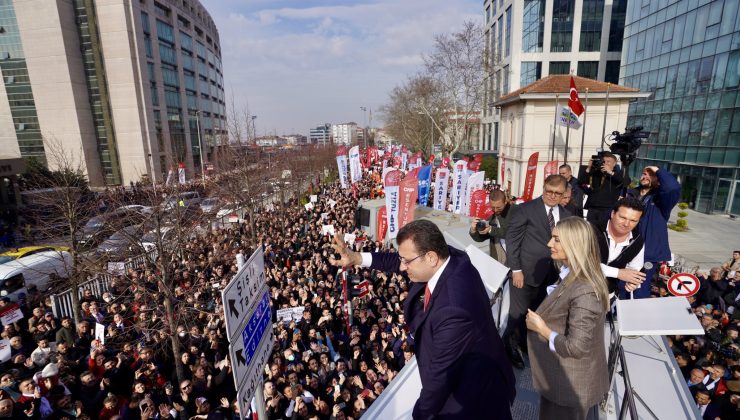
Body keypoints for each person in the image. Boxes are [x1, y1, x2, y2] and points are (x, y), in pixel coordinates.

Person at [329, 220, 516, 419]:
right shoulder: (451, 258)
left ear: (431, 257)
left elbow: (439, 378)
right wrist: (357, 257)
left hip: (473, 400)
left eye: (407, 261)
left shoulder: (453, 310)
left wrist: (419, 415)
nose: (402, 266)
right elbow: (397, 261)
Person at [525, 216, 609, 420]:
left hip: (570, 387)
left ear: (574, 244)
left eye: (556, 239)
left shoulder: (585, 290)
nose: (549, 244)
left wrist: (542, 329)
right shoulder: (571, 274)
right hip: (560, 379)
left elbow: (576, 348)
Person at [504, 175, 572, 369]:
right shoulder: (525, 209)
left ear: (564, 194)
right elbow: (513, 241)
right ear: (543, 188)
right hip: (524, 273)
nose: (551, 196)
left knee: (538, 314)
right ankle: (508, 345)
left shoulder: (568, 215)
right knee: (517, 313)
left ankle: (526, 344)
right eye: (548, 191)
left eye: (557, 193)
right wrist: (516, 270)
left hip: (553, 276)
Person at [627, 166, 680, 296]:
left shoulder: (660, 199)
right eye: (644, 174)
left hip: (648, 253)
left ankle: (637, 315)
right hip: (625, 248)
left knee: (639, 289)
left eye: (651, 175)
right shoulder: (630, 193)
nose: (646, 176)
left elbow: (672, 187)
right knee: (622, 285)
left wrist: (657, 170)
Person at [591, 197, 648, 298]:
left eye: (633, 220)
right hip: (578, 292)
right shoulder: (590, 230)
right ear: (613, 214)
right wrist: (618, 273)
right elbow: (580, 263)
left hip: (608, 296)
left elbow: (635, 269)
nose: (626, 224)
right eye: (623, 217)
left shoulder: (637, 241)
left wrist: (633, 282)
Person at [469, 189, 517, 264]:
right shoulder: (492, 218)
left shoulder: (516, 211)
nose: (495, 210)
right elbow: (480, 238)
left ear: (505, 202)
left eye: (498, 207)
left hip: (516, 261)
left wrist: (491, 229)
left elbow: (513, 233)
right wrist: (474, 230)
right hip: (499, 261)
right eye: (492, 207)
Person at [578, 152, 627, 224]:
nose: (605, 163)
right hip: (593, 207)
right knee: (591, 230)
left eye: (608, 161)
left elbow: (625, 182)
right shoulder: (596, 172)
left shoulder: (618, 173)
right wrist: (588, 168)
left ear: (614, 163)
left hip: (607, 208)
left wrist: (610, 172)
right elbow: (581, 181)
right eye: (604, 161)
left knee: (603, 229)